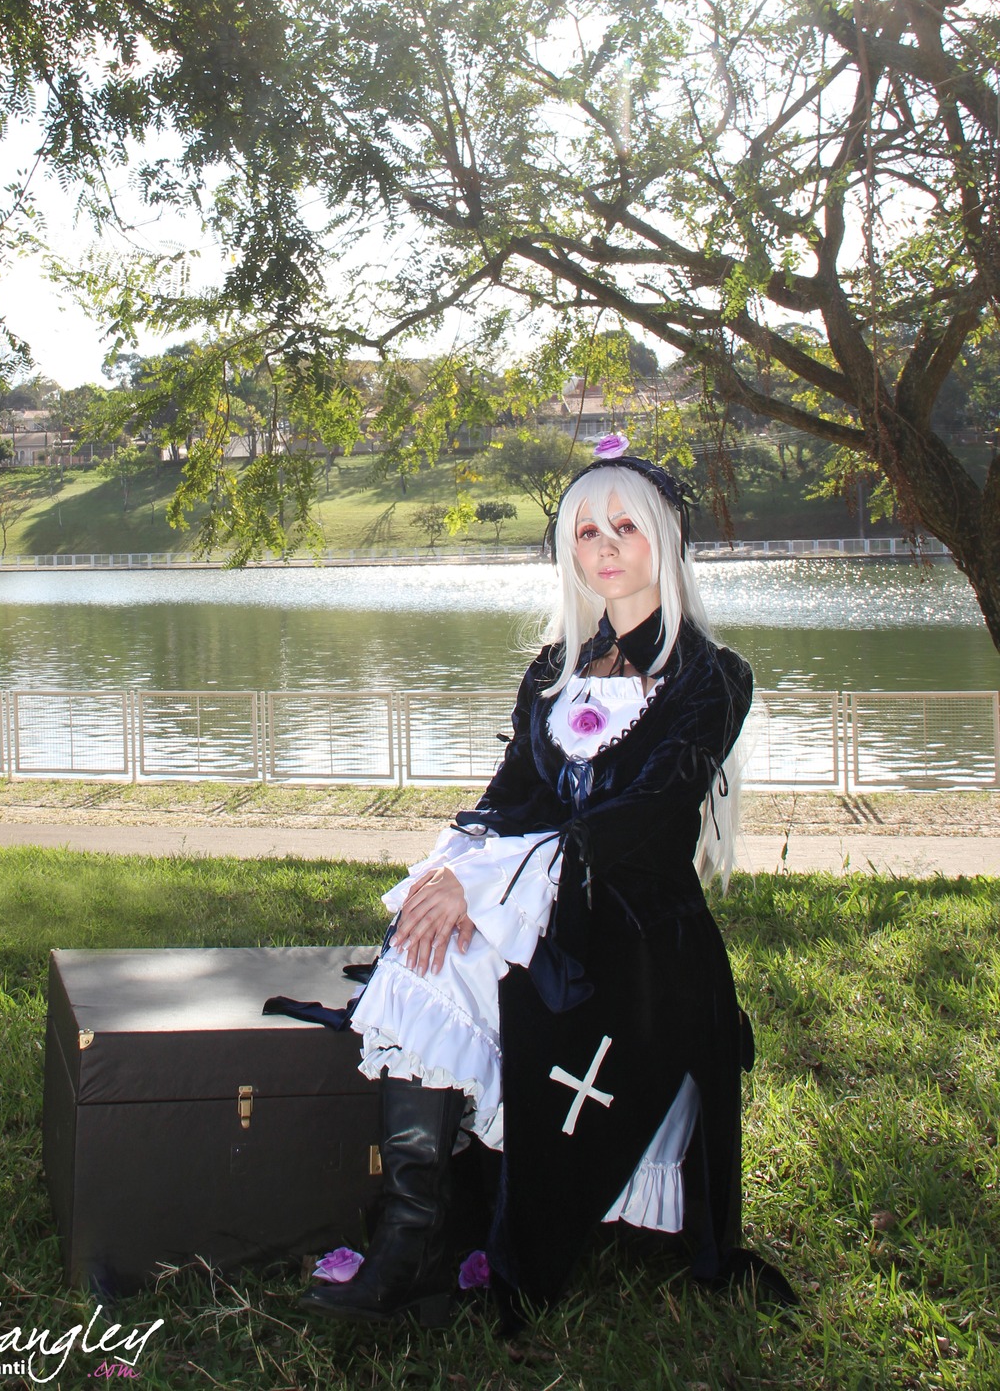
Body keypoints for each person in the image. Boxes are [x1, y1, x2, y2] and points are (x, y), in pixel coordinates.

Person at [299, 435, 782, 1327]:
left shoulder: (713, 677)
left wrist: (480, 893)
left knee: (457, 945)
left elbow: (635, 826)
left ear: (666, 540)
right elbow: (509, 801)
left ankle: (445, 1237)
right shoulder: (556, 671)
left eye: (624, 527)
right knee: (424, 948)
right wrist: (445, 875)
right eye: (586, 531)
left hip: (638, 940)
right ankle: (412, 1242)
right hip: (545, 908)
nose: (603, 547)